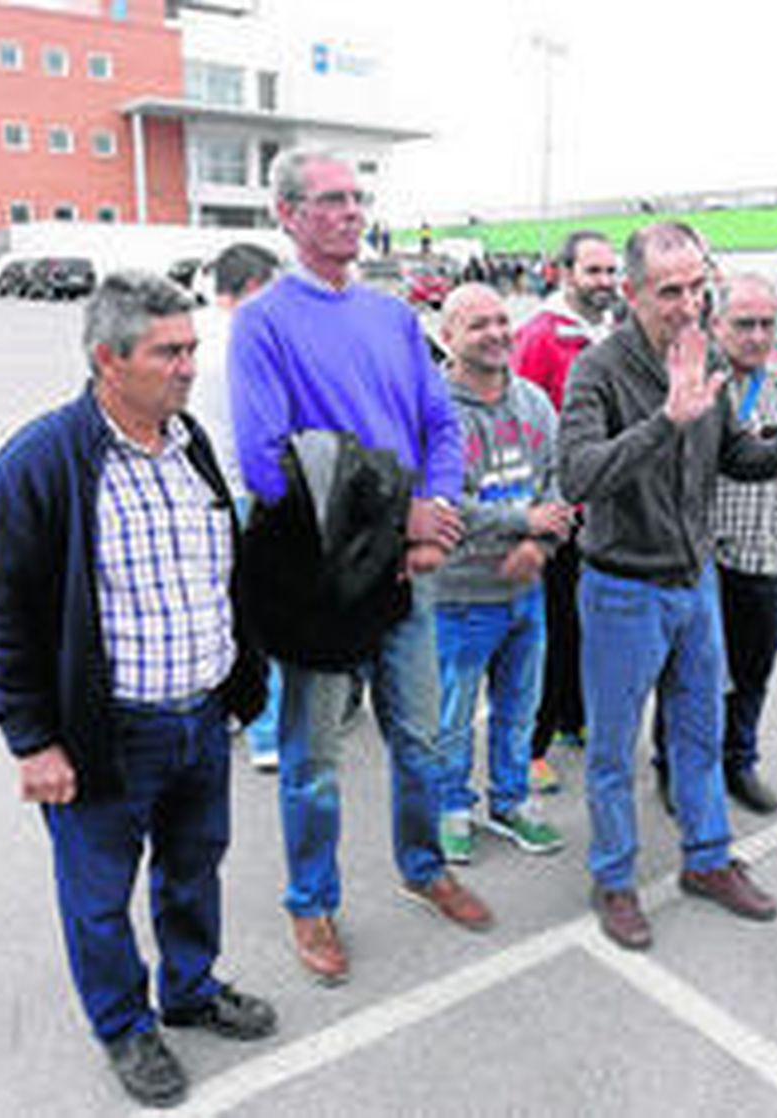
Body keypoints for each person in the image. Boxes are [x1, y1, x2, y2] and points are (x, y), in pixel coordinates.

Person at [0, 272, 275, 1109]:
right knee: (99, 898)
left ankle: (190, 988)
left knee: (193, 868)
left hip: (200, 718)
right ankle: (124, 1026)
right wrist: (32, 740)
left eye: (191, 348)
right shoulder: (39, 465)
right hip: (109, 734)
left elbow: (220, 575)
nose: (187, 366)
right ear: (108, 359)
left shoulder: (190, 443)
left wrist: (238, 683)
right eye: (168, 352)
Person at [229, 147, 492, 987]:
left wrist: (432, 524)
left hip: (409, 574)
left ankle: (422, 867)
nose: (351, 211)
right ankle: (311, 901)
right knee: (311, 765)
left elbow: (439, 427)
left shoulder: (389, 317)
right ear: (288, 215)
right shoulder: (264, 323)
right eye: (332, 199)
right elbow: (269, 466)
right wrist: (395, 514)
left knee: (419, 740)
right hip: (322, 585)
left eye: (358, 196)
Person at [560, 223, 777, 951]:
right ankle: (614, 880)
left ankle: (706, 861)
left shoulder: (701, 354)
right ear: (633, 291)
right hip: (621, 588)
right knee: (613, 751)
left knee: (700, 734)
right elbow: (578, 475)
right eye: (669, 291)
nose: (686, 304)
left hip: (693, 581)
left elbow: (736, 454)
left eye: (695, 287)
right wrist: (665, 421)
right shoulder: (598, 370)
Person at [651, 274, 777, 816]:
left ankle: (738, 762)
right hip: (708, 564)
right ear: (716, 325)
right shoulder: (696, 388)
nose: (756, 336)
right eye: (743, 324)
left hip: (770, 562)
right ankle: (671, 767)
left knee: (752, 674)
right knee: (688, 680)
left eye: (767, 324)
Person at [433, 283, 571, 864]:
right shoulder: (432, 410)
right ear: (448, 338)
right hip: (459, 596)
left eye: (499, 320)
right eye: (476, 325)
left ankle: (510, 803)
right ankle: (449, 808)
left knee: (520, 709)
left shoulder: (536, 403)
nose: (495, 333)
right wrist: (523, 518)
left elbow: (562, 485)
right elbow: (441, 503)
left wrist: (539, 545)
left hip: (527, 590)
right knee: (453, 718)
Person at [511, 230, 620, 794]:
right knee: (546, 628)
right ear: (563, 273)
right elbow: (522, 423)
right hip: (556, 509)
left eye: (609, 271)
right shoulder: (538, 337)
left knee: (582, 623)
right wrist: (538, 509)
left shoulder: (610, 332)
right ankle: (530, 744)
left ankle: (572, 719)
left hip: (601, 507)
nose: (604, 282)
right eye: (593, 272)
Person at [190, 243, 284, 772]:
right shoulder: (249, 339)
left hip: (200, 494)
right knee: (262, 617)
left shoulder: (191, 332)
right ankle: (266, 729)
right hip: (248, 491)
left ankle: (228, 710)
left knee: (221, 608)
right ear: (250, 287)